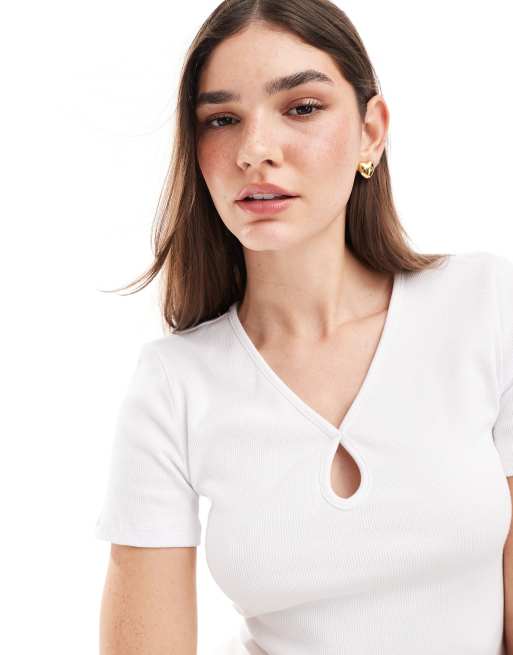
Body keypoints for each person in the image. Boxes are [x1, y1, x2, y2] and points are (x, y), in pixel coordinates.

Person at [94, 1, 513, 653]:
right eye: (221, 119)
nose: (254, 151)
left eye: (302, 107)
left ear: (370, 131)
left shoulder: (483, 305)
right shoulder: (174, 384)